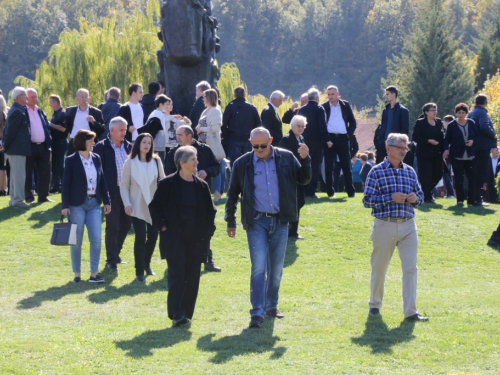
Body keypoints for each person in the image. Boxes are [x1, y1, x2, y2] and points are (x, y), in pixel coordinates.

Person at [225, 127, 311, 328]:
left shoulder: (287, 158)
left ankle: (271, 306)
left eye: (263, 145)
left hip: (280, 220)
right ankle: (257, 312)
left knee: (276, 269)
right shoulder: (242, 163)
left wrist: (306, 159)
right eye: (255, 146)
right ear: (250, 142)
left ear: (271, 141)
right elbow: (232, 194)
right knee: (259, 268)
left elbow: (304, 179)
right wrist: (230, 220)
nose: (259, 149)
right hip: (256, 221)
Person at [362, 133, 427, 322]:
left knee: (410, 269)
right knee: (379, 268)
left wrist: (416, 198)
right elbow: (367, 201)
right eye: (400, 147)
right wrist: (390, 197)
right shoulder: (376, 171)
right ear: (388, 148)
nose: (403, 151)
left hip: (408, 226)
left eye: (405, 147)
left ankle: (411, 312)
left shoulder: (410, 171)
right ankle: (375, 305)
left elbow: (421, 196)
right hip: (385, 225)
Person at [149, 145, 217, 326]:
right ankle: (176, 313)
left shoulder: (201, 186)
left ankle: (186, 312)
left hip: (196, 239)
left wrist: (209, 231)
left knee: (193, 276)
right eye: (193, 159)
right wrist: (163, 227)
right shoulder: (167, 184)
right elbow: (154, 207)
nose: (197, 162)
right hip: (174, 238)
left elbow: (210, 211)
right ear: (182, 162)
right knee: (177, 275)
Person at [165, 125, 221, 272]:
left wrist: (205, 171)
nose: (177, 138)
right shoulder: (173, 153)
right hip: (180, 198)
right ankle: (181, 258)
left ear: (190, 136)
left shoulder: (205, 150)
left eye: (180, 135)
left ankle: (207, 260)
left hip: (202, 196)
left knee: (204, 226)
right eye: (176, 135)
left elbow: (216, 167)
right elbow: (168, 173)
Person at [61, 129, 111, 283]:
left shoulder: (96, 158)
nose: (93, 143)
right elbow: (66, 184)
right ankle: (77, 274)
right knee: (76, 239)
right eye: (91, 140)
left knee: (96, 238)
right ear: (83, 141)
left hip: (94, 203)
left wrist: (107, 200)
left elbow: (102, 180)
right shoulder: (71, 160)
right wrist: (65, 205)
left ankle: (94, 274)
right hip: (76, 205)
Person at [120, 133, 165, 282]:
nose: (146, 145)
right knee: (140, 237)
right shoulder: (130, 163)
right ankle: (139, 271)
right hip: (136, 206)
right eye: (144, 142)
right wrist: (127, 203)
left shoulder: (157, 161)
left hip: (154, 206)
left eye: (149, 142)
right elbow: (124, 186)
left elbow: (163, 182)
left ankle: (147, 265)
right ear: (138, 144)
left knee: (153, 237)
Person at [93, 116, 133, 271]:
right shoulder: (100, 147)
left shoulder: (129, 147)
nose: (124, 132)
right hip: (111, 192)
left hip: (128, 192)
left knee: (126, 224)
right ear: (112, 131)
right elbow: (98, 172)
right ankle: (111, 260)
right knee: (113, 226)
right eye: (121, 130)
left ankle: (116, 254)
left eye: (125, 129)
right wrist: (102, 194)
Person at [322, 85, 357, 198]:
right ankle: (330, 191)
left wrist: (348, 135)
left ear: (338, 94)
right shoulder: (324, 107)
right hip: (330, 139)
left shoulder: (345, 105)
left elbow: (353, 122)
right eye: (329, 94)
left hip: (343, 138)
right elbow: (322, 125)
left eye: (332, 94)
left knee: (346, 165)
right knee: (329, 166)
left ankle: (350, 191)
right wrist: (326, 139)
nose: (330, 96)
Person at [443, 103, 479, 206]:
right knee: (459, 178)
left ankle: (471, 200)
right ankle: (460, 199)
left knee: (472, 177)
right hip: (457, 155)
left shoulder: (471, 123)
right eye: (459, 112)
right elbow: (447, 139)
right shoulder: (452, 125)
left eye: (463, 112)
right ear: (456, 113)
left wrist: (472, 141)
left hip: (470, 155)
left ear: (466, 113)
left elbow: (477, 137)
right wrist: (446, 150)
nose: (461, 115)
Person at [279, 115, 308, 239]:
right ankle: (288, 231)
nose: (301, 128)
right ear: (292, 126)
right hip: (289, 176)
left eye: (303, 126)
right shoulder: (286, 140)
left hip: (299, 174)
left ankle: (293, 231)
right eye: (298, 126)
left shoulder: (301, 138)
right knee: (292, 202)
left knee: (300, 201)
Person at [297, 88, 329, 198]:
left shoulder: (301, 109)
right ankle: (311, 191)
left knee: (302, 164)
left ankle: (302, 188)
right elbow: (322, 126)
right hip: (316, 142)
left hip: (303, 141)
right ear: (317, 98)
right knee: (315, 166)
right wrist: (327, 140)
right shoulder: (320, 109)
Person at [3, 87, 31, 208]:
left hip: (15, 148)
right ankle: (18, 201)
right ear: (18, 97)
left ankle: (14, 200)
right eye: (25, 95)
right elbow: (10, 131)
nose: (27, 97)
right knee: (19, 175)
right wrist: (5, 145)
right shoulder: (17, 111)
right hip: (16, 148)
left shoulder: (17, 109)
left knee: (15, 175)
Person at [196, 89, 226, 202]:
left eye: (204, 96)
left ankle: (217, 192)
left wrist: (201, 129)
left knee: (216, 167)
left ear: (209, 97)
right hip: (203, 144)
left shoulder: (216, 111)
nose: (202, 98)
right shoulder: (205, 111)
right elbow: (200, 125)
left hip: (212, 144)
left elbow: (215, 129)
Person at [468, 94, 498, 206]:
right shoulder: (482, 112)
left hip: (474, 146)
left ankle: (472, 198)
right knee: (481, 173)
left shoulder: (471, 113)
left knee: (473, 172)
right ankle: (478, 198)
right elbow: (484, 126)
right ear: (485, 103)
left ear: (475, 102)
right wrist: (494, 135)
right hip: (483, 147)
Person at [24, 88, 53, 203]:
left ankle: (43, 196)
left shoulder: (40, 110)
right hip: (29, 146)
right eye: (32, 97)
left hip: (44, 146)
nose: (35, 99)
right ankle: (29, 196)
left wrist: (48, 138)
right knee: (28, 171)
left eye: (36, 97)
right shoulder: (23, 111)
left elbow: (46, 126)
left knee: (45, 171)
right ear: (26, 98)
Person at [412, 103, 444, 203]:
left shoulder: (439, 122)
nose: (434, 112)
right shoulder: (420, 123)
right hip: (424, 153)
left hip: (437, 153)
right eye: (432, 110)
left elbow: (442, 136)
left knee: (439, 173)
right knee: (426, 175)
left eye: (435, 110)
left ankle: (427, 191)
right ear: (426, 112)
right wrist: (428, 141)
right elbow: (415, 137)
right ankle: (427, 196)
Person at [221, 86, 261, 166]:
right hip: (248, 140)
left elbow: (224, 124)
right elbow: (258, 125)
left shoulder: (230, 107)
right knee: (248, 165)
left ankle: (235, 178)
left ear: (234, 95)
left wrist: (225, 138)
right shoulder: (252, 108)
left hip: (233, 140)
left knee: (235, 165)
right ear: (245, 95)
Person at [373, 86, 410, 164]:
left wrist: (401, 144)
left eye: (387, 94)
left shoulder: (403, 111)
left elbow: (405, 129)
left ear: (394, 94)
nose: (386, 96)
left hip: (395, 144)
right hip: (384, 144)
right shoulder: (385, 111)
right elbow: (383, 126)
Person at [65, 88, 105, 155]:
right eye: (82, 97)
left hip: (89, 142)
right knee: (72, 163)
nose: (84, 99)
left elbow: (102, 129)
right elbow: (67, 125)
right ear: (77, 98)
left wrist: (93, 121)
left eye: (86, 97)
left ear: (89, 98)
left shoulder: (96, 112)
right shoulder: (70, 110)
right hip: (74, 142)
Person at [48, 95, 68, 194]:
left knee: (60, 165)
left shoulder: (63, 113)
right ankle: (56, 186)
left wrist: (50, 124)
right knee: (54, 165)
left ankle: (64, 185)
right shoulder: (55, 113)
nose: (49, 104)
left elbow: (63, 128)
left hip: (61, 142)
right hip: (54, 142)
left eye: (51, 102)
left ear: (56, 102)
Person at [442, 114, 455, 199]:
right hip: (450, 156)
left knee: (446, 174)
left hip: (447, 156)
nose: (443, 123)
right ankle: (450, 193)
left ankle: (450, 193)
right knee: (448, 175)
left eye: (444, 121)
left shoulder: (449, 132)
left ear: (447, 122)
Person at [0, 95, 8, 196]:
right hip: (2, 140)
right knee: (2, 166)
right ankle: (2, 188)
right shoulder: (4, 113)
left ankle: (1, 188)